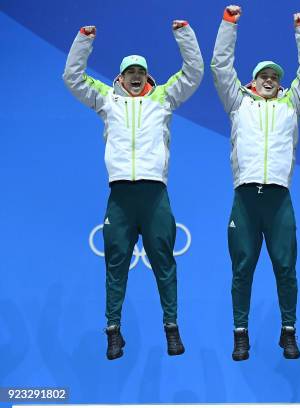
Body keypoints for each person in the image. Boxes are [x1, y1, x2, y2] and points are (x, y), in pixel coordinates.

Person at [63, 20, 204, 360]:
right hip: (121, 199)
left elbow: (194, 72)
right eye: (130, 71)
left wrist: (183, 34)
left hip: (155, 197)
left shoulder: (163, 97)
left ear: (148, 76)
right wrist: (84, 40)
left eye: (141, 70)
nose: (136, 75)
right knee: (115, 267)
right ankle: (113, 332)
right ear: (120, 78)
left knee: (165, 265)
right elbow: (73, 78)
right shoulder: (107, 99)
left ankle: (171, 329)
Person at [210, 4, 300, 361]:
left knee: (286, 270)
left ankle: (288, 332)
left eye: (275, 75)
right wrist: (229, 23)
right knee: (242, 270)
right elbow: (219, 66)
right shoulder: (237, 103)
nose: (270, 79)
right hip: (245, 200)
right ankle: (240, 334)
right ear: (252, 80)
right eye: (264, 75)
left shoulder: (292, 105)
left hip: (278, 201)